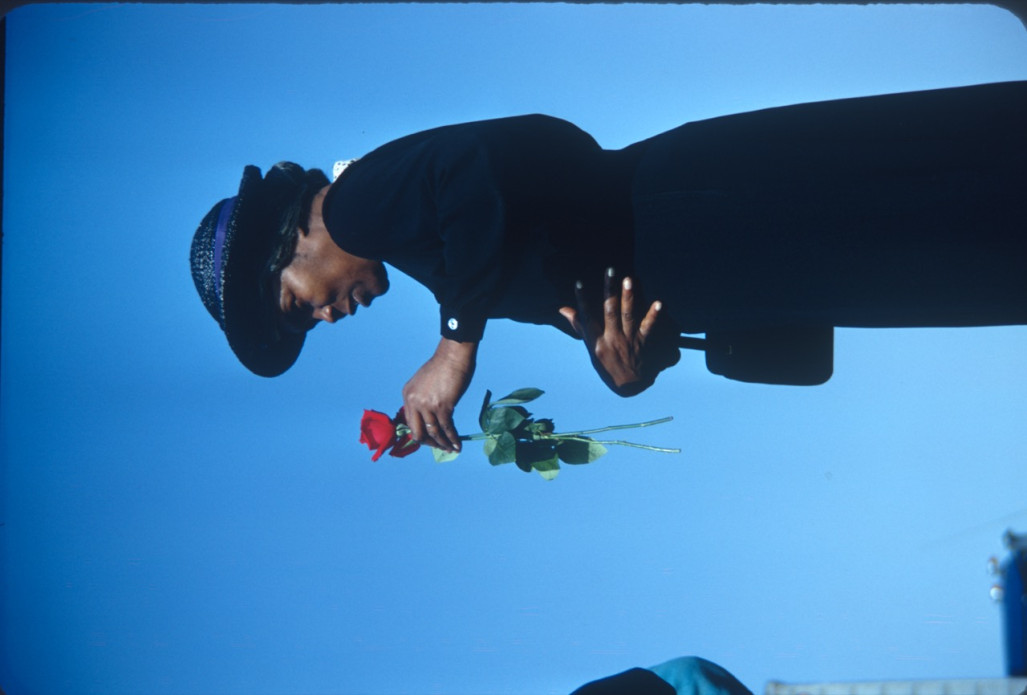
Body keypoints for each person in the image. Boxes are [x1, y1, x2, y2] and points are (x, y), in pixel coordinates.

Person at [191, 81, 1027, 453]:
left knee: (952, 201)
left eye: (298, 306)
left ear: (292, 243)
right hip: (734, 256)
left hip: (715, 205)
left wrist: (456, 349)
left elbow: (488, 161)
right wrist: (619, 364)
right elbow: (577, 290)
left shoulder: (359, 203)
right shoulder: (429, 256)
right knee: (954, 238)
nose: (327, 318)